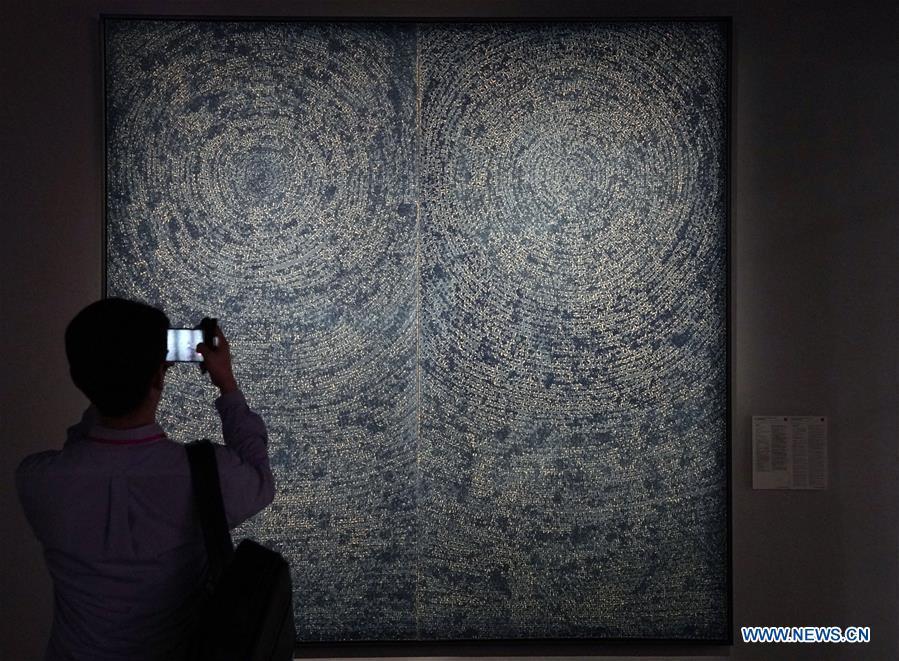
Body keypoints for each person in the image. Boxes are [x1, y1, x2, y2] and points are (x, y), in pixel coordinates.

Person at [15, 298, 275, 661]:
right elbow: (261, 480)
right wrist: (227, 384)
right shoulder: (207, 474)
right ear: (159, 374)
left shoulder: (37, 481)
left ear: (78, 379)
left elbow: (81, 443)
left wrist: (109, 381)